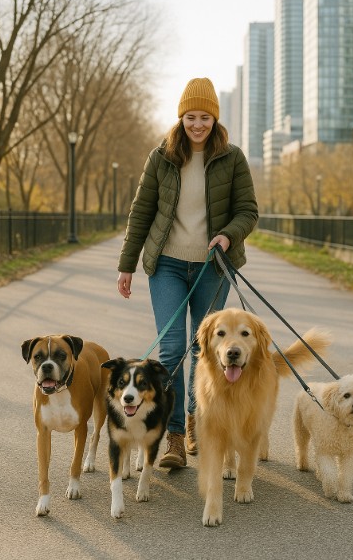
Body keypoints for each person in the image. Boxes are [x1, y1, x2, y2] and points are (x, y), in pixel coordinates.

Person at [117, 77, 258, 469]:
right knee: (173, 349)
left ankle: (197, 422)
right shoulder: (161, 156)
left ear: (215, 119)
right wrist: (127, 265)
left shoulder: (232, 157)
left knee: (206, 349)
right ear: (181, 118)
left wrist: (228, 237)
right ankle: (174, 436)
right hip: (166, 265)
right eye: (191, 117)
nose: (198, 125)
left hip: (213, 266)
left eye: (205, 117)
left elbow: (248, 210)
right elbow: (141, 212)